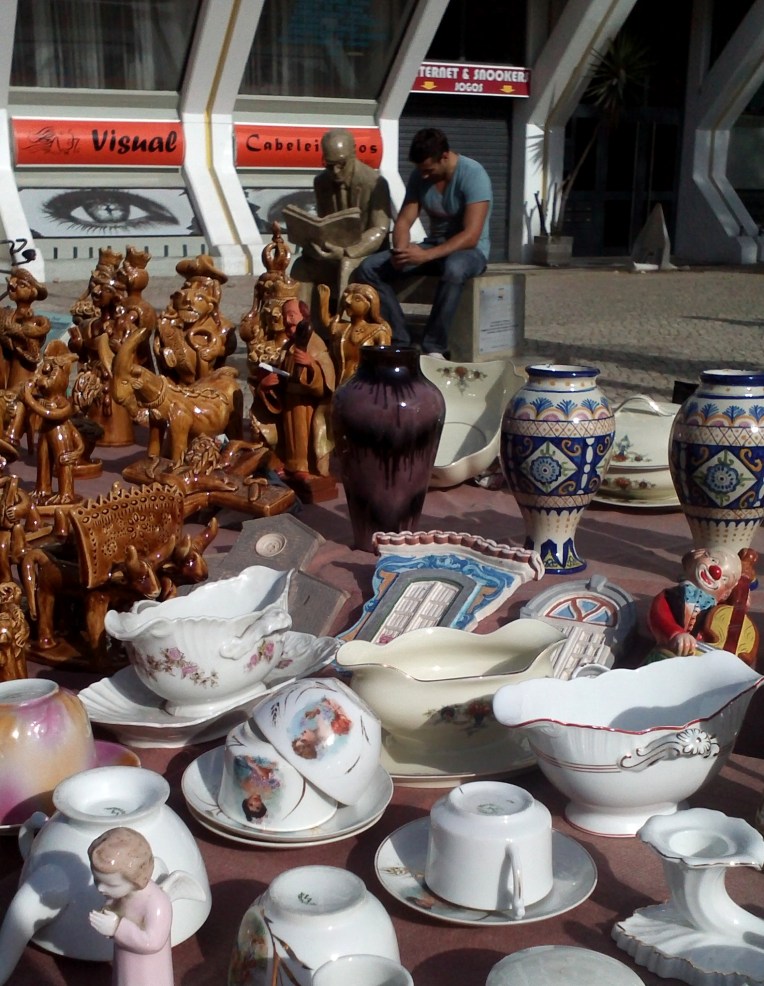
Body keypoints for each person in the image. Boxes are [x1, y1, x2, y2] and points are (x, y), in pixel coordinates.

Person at [356, 128, 492, 356]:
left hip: (470, 251)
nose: (425, 176)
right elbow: (404, 221)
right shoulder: (420, 176)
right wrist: (401, 250)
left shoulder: (473, 174)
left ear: (445, 156)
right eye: (421, 171)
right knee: (369, 268)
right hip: (434, 245)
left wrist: (426, 255)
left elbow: (471, 235)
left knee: (455, 267)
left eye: (429, 170)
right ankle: (400, 339)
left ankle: (434, 346)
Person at [291, 128, 392, 298]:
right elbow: (325, 223)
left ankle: (344, 323)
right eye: (329, 165)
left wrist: (347, 252)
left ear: (354, 152)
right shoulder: (321, 182)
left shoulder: (375, 183)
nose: (335, 171)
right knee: (302, 266)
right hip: (334, 249)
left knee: (347, 265)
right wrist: (315, 243)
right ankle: (300, 322)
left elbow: (379, 229)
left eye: (341, 164)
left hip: (365, 252)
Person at [253, 297, 335, 482]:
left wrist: (311, 365)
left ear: (304, 317)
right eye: (285, 317)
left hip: (306, 405)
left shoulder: (316, 345)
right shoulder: (288, 346)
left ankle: (305, 467)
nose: (287, 321)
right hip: (288, 401)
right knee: (290, 436)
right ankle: (290, 464)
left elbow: (327, 379)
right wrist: (267, 384)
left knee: (302, 436)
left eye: (292, 315)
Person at [88, 827, 174, 986]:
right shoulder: (122, 894)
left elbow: (153, 942)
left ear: (136, 878)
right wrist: (108, 912)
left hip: (148, 969)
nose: (100, 888)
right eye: (97, 880)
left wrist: (116, 927)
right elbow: (116, 908)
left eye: (110, 884)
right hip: (125, 960)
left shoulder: (157, 903)